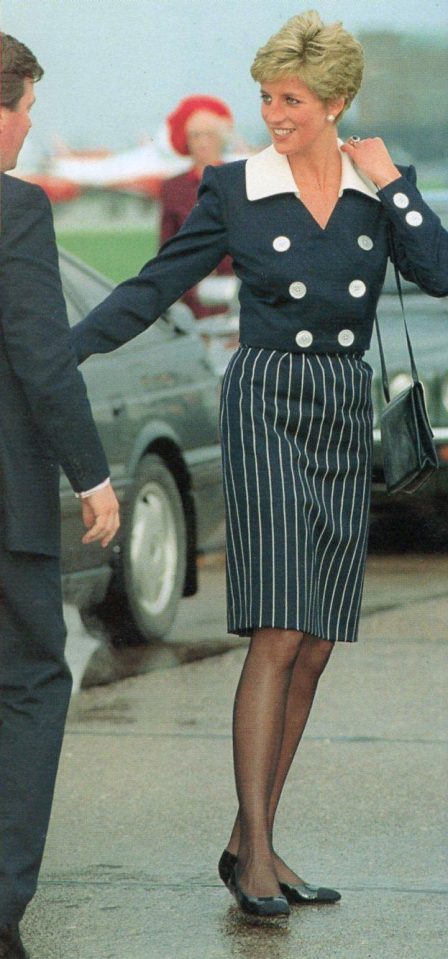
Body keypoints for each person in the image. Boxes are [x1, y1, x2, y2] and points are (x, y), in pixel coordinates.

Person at [72, 10, 448, 921]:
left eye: (292, 99)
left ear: (336, 102)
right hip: (267, 402)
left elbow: (438, 269)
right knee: (279, 630)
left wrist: (395, 183)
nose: (274, 114)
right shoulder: (237, 185)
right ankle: (258, 859)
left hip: (339, 405)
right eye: (267, 97)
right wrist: (64, 350)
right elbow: (155, 283)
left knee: (316, 643)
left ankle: (252, 842)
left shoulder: (370, 192)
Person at [0, 34, 120, 958]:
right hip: (6, 505)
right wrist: (92, 473)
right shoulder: (16, 211)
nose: (30, 128)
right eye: (26, 108)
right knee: (34, 679)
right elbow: (42, 356)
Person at [160, 95, 234, 318]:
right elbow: (166, 248)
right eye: (195, 135)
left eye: (209, 134)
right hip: (191, 299)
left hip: (238, 297)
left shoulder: (241, 180)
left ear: (222, 138)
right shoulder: (172, 187)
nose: (202, 142)